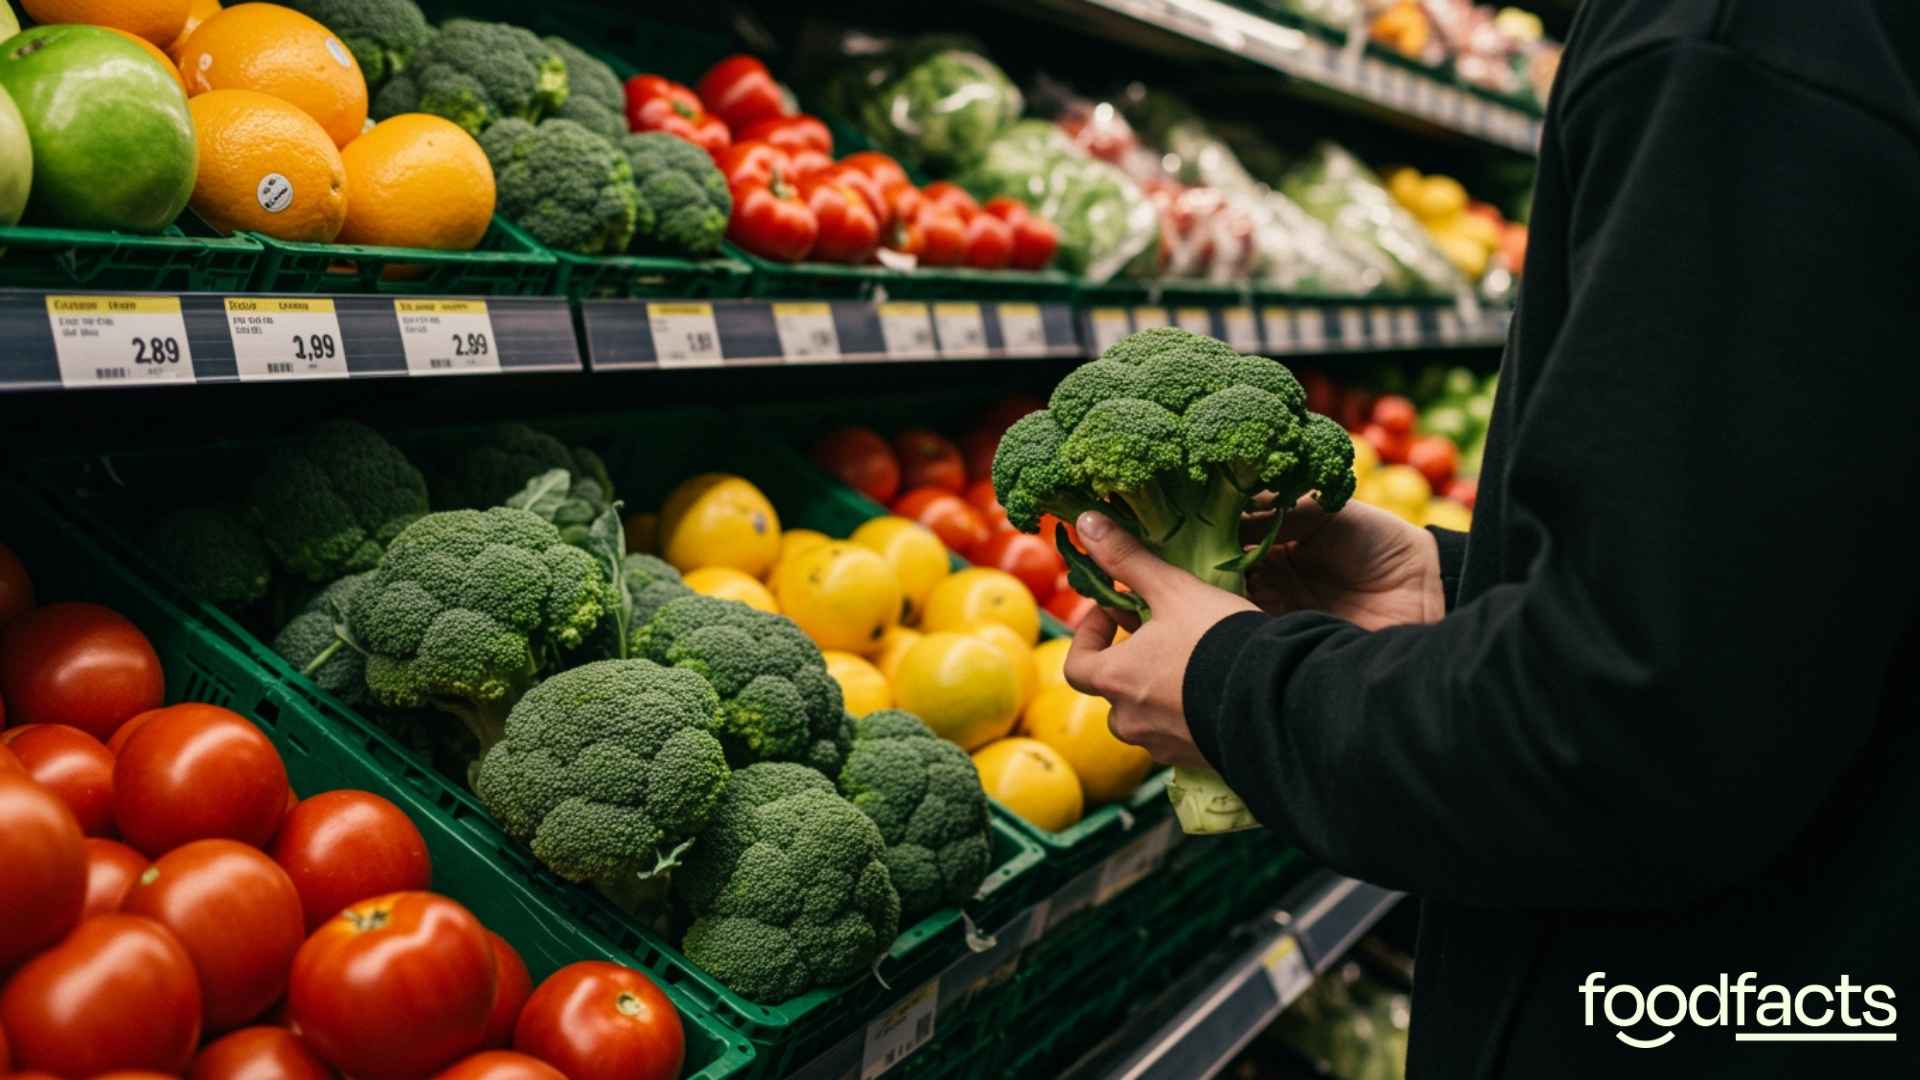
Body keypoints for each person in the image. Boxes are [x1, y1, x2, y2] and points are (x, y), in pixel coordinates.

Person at [1061, 1, 1919, 1075]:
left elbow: (1618, 732)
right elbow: (1785, 585)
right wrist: (1464, 591)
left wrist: (1235, 687)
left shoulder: (1733, 41)